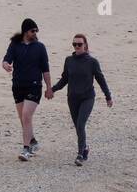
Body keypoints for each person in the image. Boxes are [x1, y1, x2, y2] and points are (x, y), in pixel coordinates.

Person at [47, 33, 113, 166]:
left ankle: (80, 154)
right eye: (74, 44)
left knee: (81, 124)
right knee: (77, 126)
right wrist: (52, 89)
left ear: (85, 45)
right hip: (72, 98)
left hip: (87, 98)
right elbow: (65, 79)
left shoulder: (92, 62)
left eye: (79, 44)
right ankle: (85, 148)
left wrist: (108, 96)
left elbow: (101, 80)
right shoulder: (69, 61)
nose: (77, 46)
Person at [1, 18, 51, 162]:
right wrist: (5, 65)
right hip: (17, 86)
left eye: (36, 31)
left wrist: (49, 88)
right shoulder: (15, 45)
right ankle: (33, 141)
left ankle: (26, 149)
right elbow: (6, 60)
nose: (35, 33)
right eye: (32, 31)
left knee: (26, 116)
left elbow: (45, 69)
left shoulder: (40, 47)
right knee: (23, 118)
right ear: (25, 31)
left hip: (34, 85)